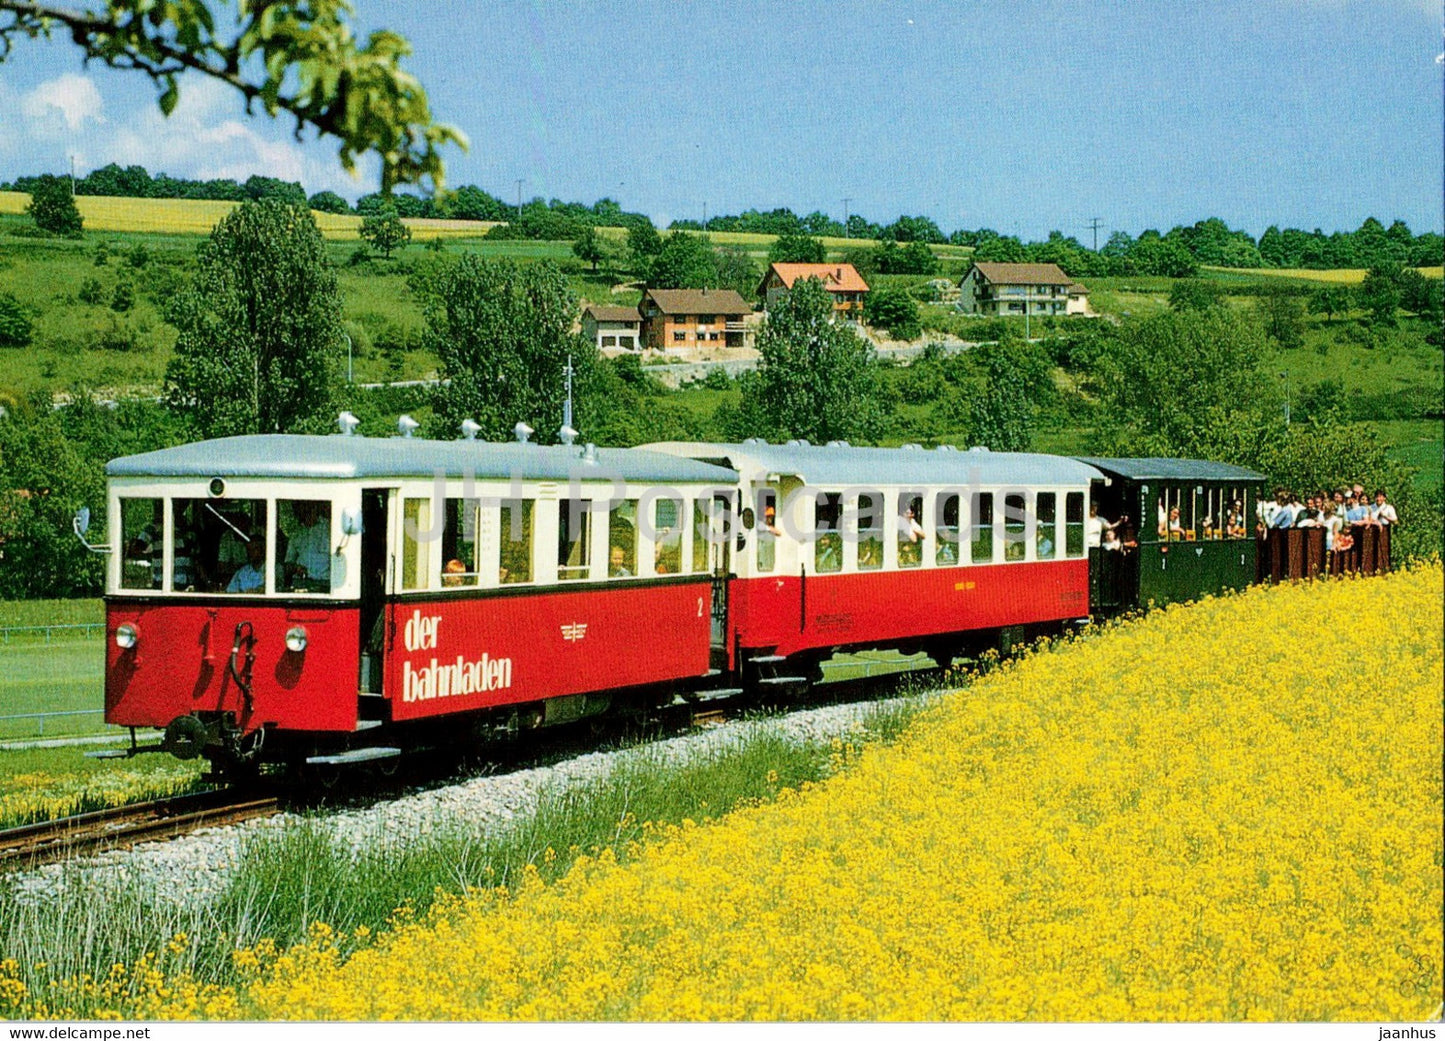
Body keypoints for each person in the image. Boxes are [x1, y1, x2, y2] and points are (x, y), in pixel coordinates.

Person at [284, 501, 331, 590]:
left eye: (307, 507)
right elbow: (288, 564)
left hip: (325, 583)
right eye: (299, 509)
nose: (303, 511)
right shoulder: (296, 533)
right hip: (300, 583)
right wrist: (296, 568)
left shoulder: (328, 528)